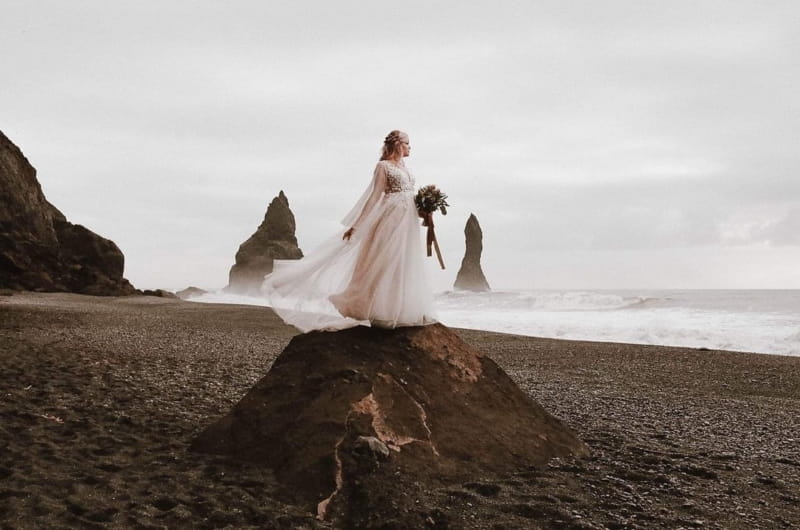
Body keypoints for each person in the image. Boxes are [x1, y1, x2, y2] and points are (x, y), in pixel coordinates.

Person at [261, 130, 437, 332]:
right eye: (407, 143)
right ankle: (380, 311)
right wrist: (357, 224)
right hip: (390, 220)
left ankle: (401, 309)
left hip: (407, 223)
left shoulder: (406, 168)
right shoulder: (383, 167)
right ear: (398, 145)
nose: (409, 147)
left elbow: (408, 195)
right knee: (386, 261)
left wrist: (425, 210)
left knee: (404, 263)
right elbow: (374, 197)